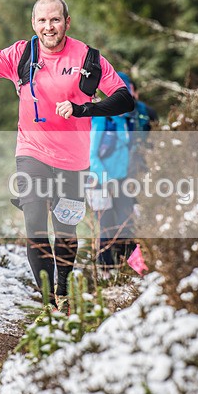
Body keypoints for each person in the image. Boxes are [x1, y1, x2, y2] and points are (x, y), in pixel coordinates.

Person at [0, 0, 134, 313]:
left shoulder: (88, 58)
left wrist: (84, 109)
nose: (49, 27)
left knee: (65, 230)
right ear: (33, 24)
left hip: (74, 161)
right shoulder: (21, 54)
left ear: (67, 22)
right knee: (36, 224)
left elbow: (124, 99)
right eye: (42, 20)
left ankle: (63, 286)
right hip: (31, 153)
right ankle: (49, 300)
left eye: (55, 20)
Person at [88, 106, 135, 279]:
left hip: (122, 179)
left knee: (127, 222)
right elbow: (91, 155)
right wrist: (105, 179)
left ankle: (129, 267)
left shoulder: (125, 120)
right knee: (106, 225)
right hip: (98, 181)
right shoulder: (101, 120)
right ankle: (105, 271)